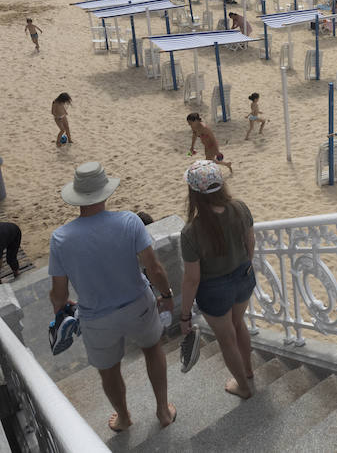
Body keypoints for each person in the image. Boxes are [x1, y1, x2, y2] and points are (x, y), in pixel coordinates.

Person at [49, 162, 176, 431]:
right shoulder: (129, 221)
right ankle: (163, 411)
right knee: (153, 350)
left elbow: (58, 294)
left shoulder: (60, 238)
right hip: (138, 303)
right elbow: (154, 268)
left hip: (96, 316)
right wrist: (166, 294)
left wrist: (62, 308)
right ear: (105, 192)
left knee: (109, 370)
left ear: (77, 197)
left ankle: (124, 417)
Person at [178, 160, 256, 400]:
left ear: (194, 193)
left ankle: (243, 386)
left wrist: (184, 316)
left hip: (214, 289)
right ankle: (249, 371)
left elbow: (192, 279)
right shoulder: (239, 208)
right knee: (238, 323)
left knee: (226, 338)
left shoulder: (191, 231)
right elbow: (250, 243)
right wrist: (244, 265)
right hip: (243, 277)